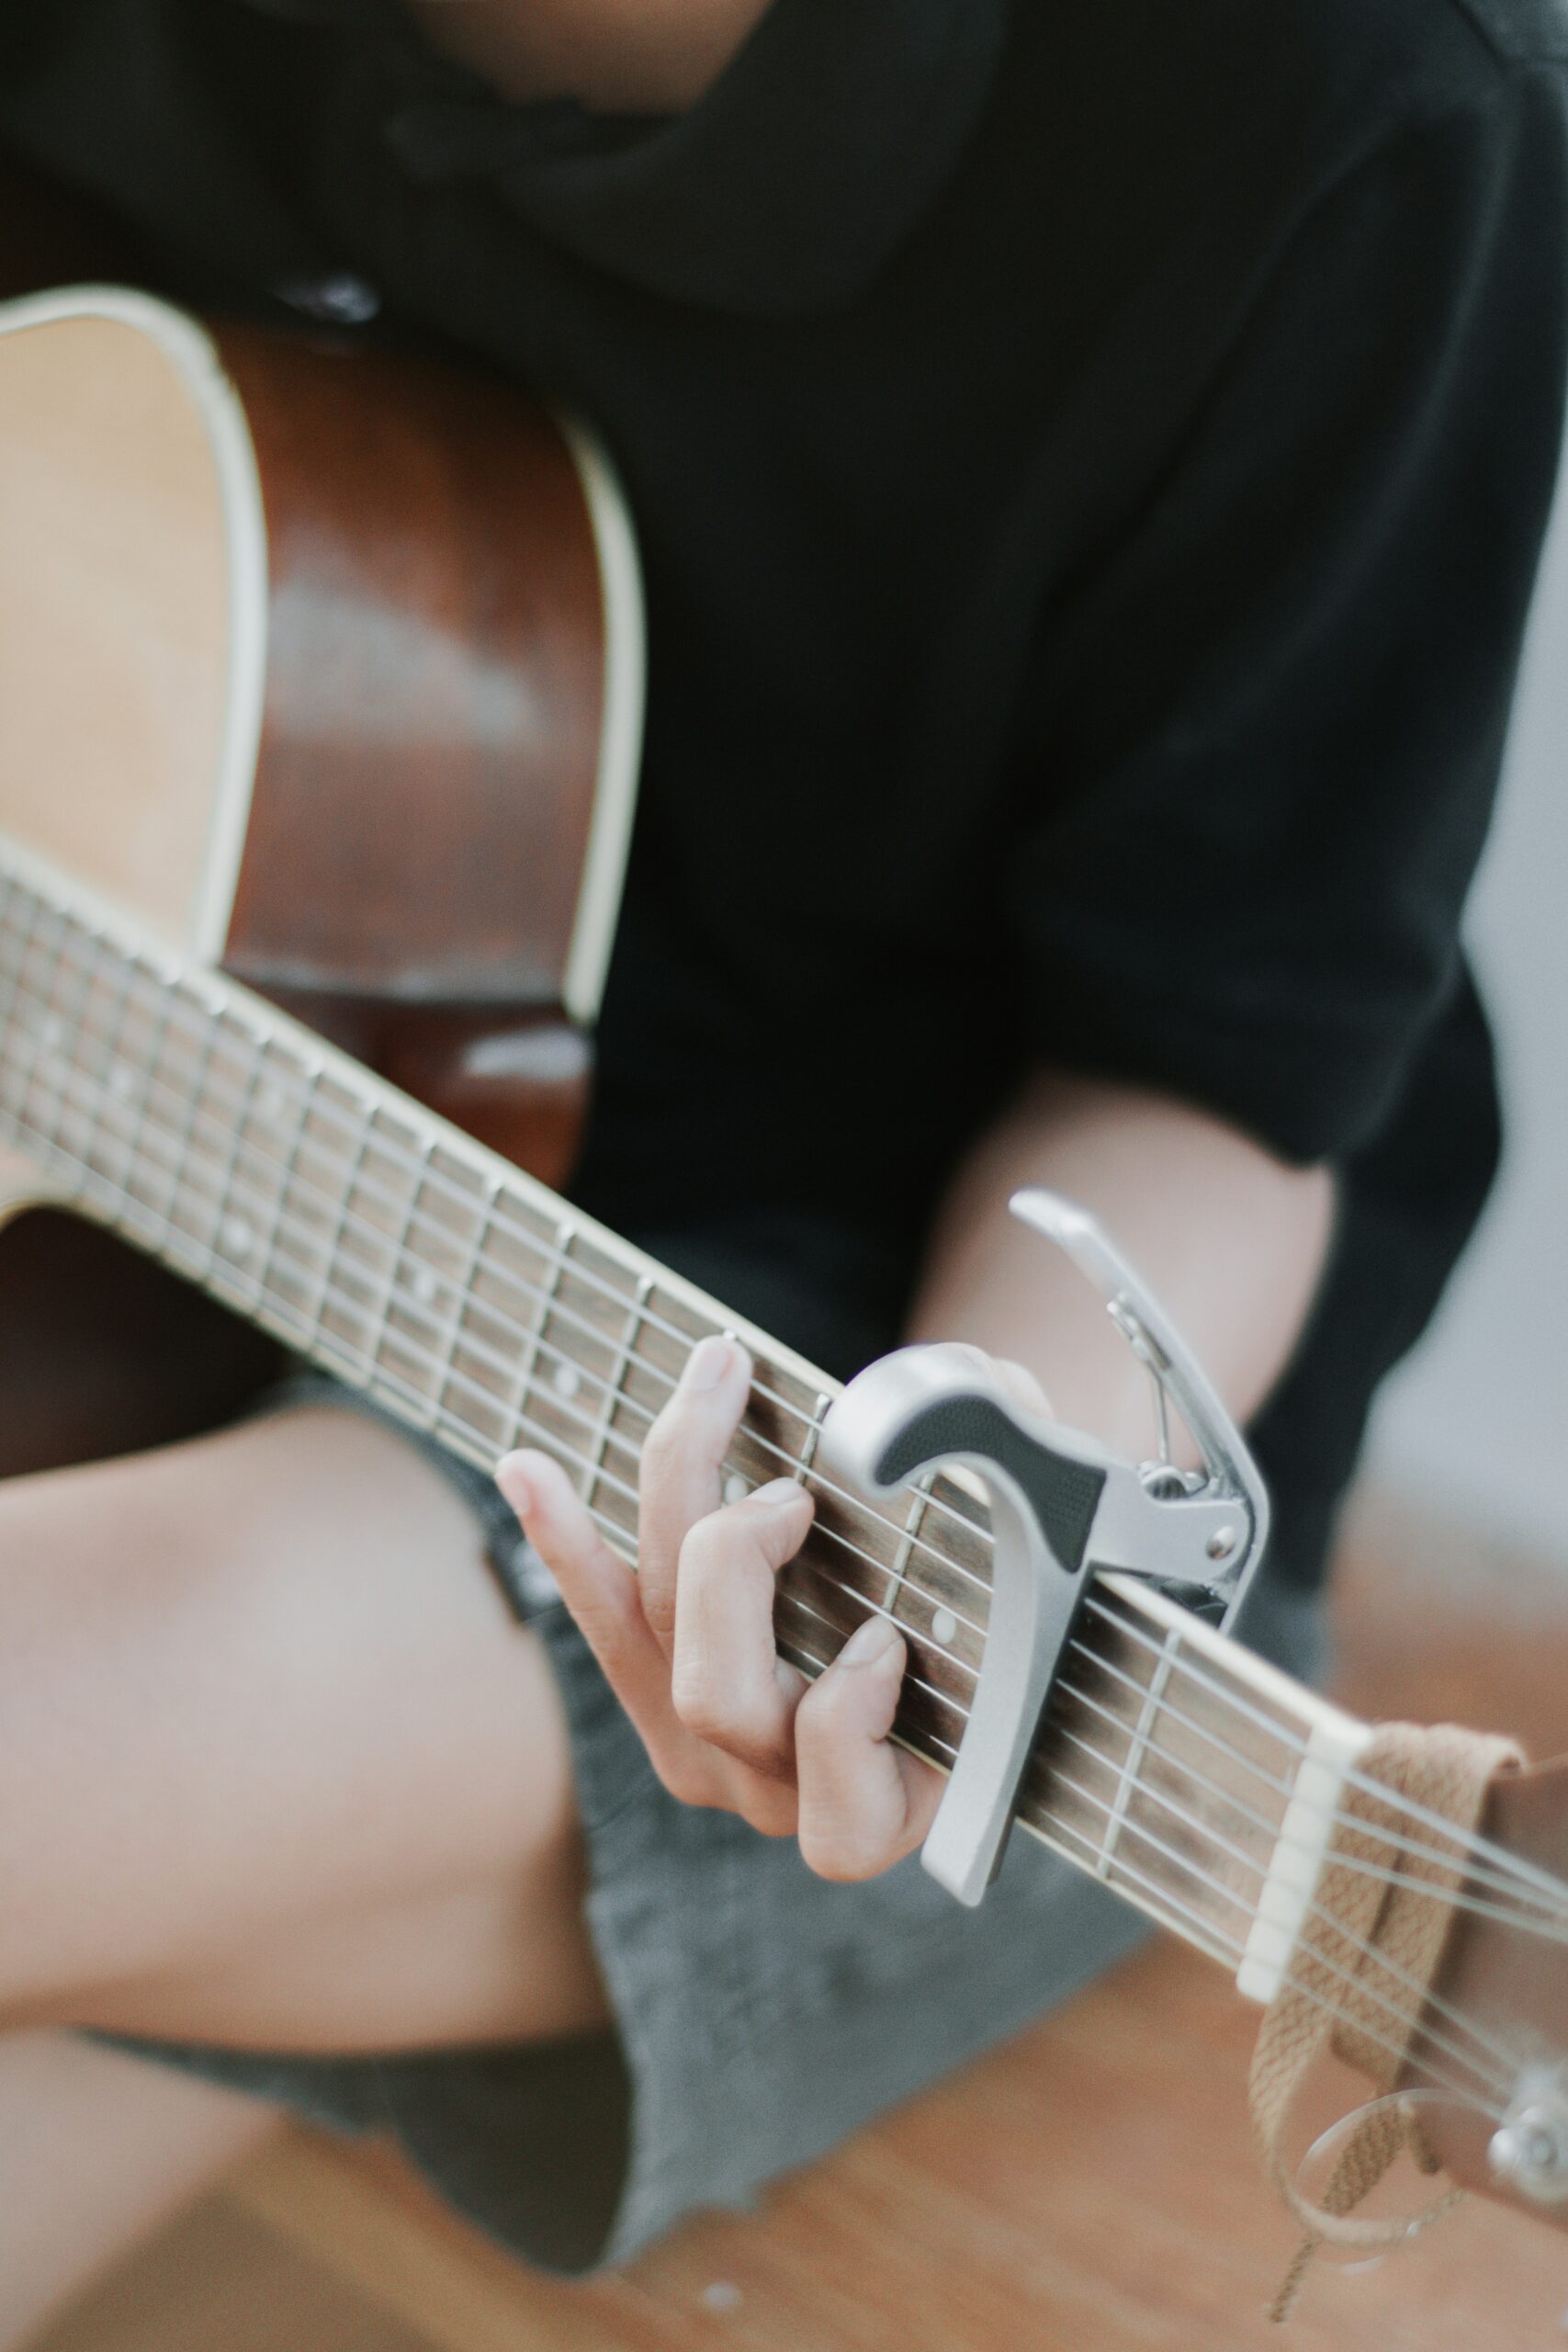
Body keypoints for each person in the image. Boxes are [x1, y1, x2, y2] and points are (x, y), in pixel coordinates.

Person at [2, 0, 1565, 2333]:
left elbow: (1204, 1086)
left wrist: (987, 1477)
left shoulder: (1354, 92)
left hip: (831, 1356)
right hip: (159, 1178)